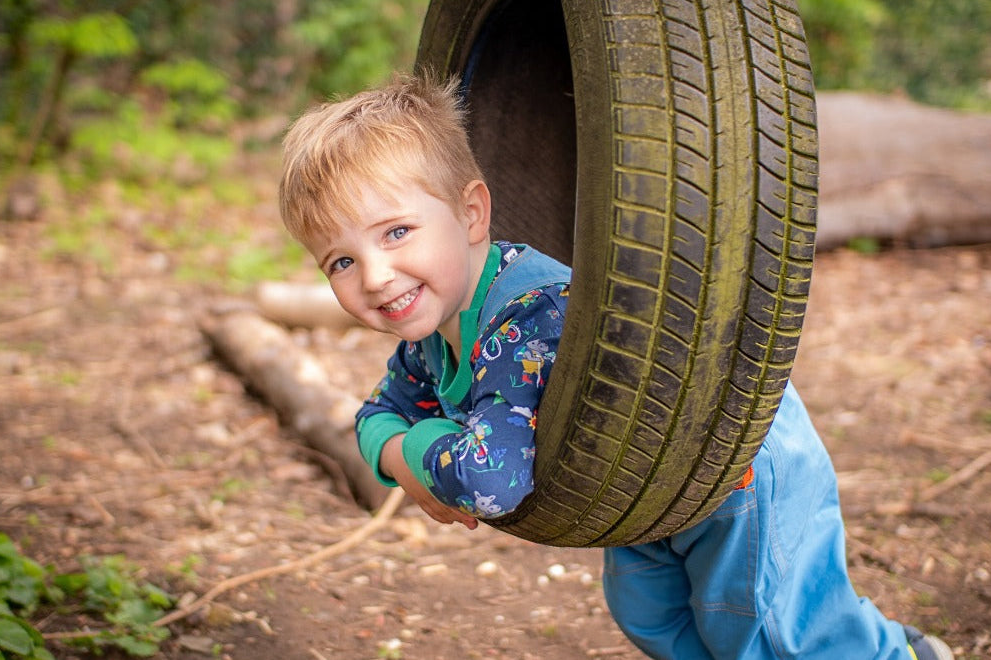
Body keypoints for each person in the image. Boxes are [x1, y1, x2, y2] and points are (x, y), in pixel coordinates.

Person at [277, 73, 954, 660]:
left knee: (777, 635)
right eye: (341, 260)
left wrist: (411, 444)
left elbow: (492, 481)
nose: (375, 275)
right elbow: (374, 414)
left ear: (471, 213)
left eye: (397, 232)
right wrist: (401, 453)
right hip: (639, 481)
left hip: (731, 456)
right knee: (657, 619)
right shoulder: (430, 337)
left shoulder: (527, 318)